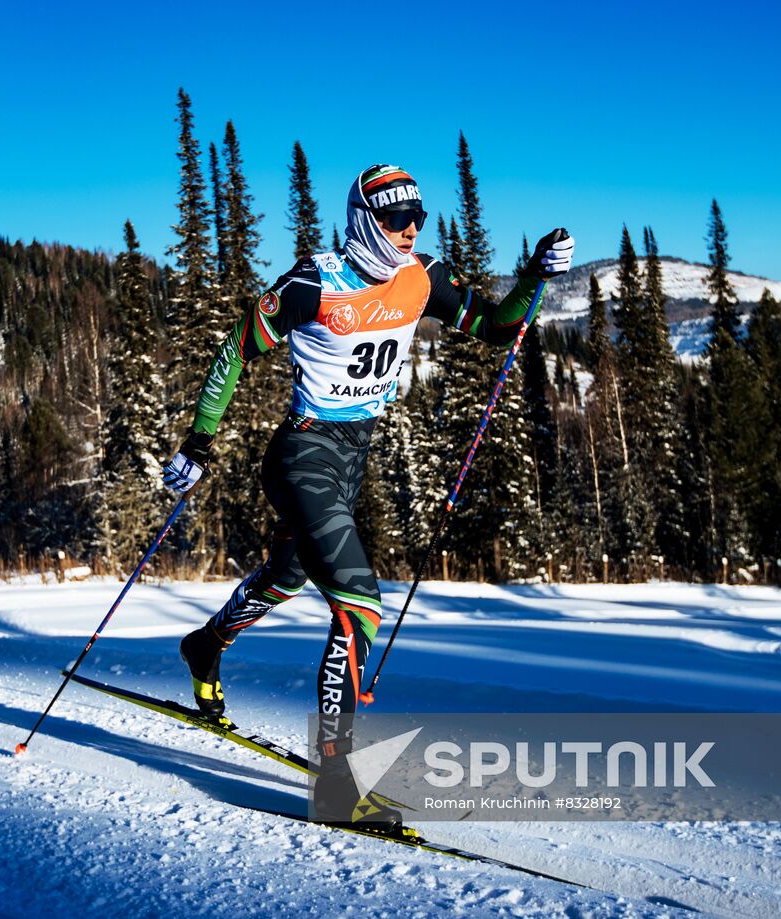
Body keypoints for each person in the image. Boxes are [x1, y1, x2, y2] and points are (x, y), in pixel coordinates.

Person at [162, 163, 574, 830]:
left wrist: (534, 273)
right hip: (303, 453)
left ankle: (206, 645)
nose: (410, 229)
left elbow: (499, 327)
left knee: (290, 573)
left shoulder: (423, 277)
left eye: (418, 217)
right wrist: (198, 442)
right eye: (394, 218)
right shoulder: (312, 280)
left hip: (354, 457)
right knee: (358, 603)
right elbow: (235, 349)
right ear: (362, 219)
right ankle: (334, 781)